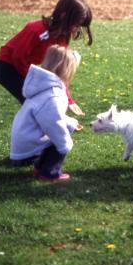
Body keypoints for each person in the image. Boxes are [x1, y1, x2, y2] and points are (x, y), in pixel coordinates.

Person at [0, 0, 92, 116]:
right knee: (37, 104)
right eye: (76, 25)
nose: (77, 29)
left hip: (24, 68)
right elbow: (18, 58)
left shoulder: (62, 37)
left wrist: (69, 100)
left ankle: (53, 127)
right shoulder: (36, 30)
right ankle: (36, 131)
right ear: (64, 16)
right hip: (7, 67)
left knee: (41, 102)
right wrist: (38, 80)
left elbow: (60, 72)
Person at [10, 45, 82, 182]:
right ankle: (49, 172)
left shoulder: (43, 86)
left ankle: (40, 166)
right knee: (62, 137)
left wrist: (70, 121)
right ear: (66, 70)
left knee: (63, 130)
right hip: (28, 142)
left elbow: (49, 115)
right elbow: (53, 123)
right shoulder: (53, 95)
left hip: (25, 137)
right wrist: (65, 143)